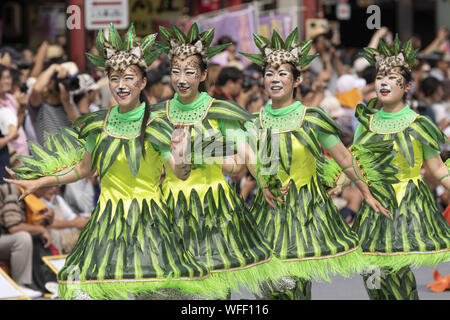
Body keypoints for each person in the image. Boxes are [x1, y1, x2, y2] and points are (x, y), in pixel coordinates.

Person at [4, 23, 228, 300]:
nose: (121, 86)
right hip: (108, 223)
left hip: (149, 222)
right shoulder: (97, 125)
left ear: (142, 82)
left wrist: (185, 154)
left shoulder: (157, 123)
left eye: (128, 78)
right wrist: (41, 181)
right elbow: (84, 169)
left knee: (153, 293)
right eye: (115, 78)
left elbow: (179, 172)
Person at [239, 28, 389, 300]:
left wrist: (366, 193)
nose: (275, 79)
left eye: (282, 73)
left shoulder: (313, 118)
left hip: (305, 214)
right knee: (270, 290)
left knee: (297, 288)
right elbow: (247, 164)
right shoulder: (253, 123)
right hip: (268, 213)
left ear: (297, 79)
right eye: (269, 73)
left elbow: (343, 158)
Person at [152, 22, 287, 297]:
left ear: (202, 75)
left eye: (189, 72)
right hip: (169, 206)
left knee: (213, 287)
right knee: (174, 288)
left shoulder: (218, 110)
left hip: (212, 208)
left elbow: (245, 150)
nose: (181, 79)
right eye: (175, 71)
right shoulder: (157, 114)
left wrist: (263, 179)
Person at [339, 35, 450, 300]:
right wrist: (337, 183)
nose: (384, 83)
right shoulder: (367, 122)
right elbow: (356, 161)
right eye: (380, 77)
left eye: (392, 78)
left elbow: (436, 168)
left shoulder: (419, 123)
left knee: (398, 276)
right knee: (373, 276)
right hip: (374, 206)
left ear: (408, 86)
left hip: (406, 205)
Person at [0, 182, 56, 296]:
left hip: (5, 239)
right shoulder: (14, 192)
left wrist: (45, 223)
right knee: (22, 238)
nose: (52, 189)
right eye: (49, 184)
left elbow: (29, 226)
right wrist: (41, 230)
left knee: (52, 234)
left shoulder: (33, 199)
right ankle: (20, 286)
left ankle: (50, 280)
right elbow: (14, 227)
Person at [27, 61, 80, 145]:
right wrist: (53, 67)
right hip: (52, 157)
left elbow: (83, 128)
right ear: (49, 82)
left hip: (74, 157)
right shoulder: (39, 106)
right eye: (61, 80)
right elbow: (37, 89)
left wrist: (66, 104)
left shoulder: (69, 104)